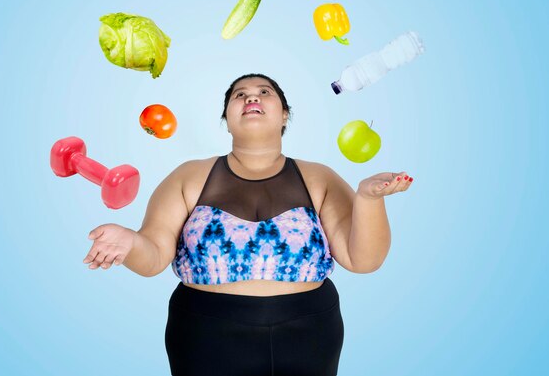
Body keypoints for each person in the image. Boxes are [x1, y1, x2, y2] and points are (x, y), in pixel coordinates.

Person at [83, 73, 414, 376]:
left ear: (284, 114)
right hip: (205, 332)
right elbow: (153, 254)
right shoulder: (188, 176)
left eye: (264, 92)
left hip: (309, 332)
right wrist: (129, 244)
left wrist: (369, 200)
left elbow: (363, 259)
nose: (251, 98)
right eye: (239, 95)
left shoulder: (320, 177)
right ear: (226, 119)